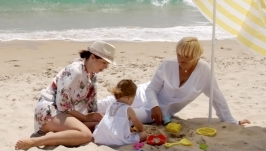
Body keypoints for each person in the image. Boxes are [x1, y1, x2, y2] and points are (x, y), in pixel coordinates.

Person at [97, 37, 250, 126]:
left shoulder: (204, 71)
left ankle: (85, 126)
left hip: (158, 112)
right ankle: (76, 115)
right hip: (144, 94)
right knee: (102, 105)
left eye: (186, 57)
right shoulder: (168, 65)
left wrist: (231, 121)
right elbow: (151, 89)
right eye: (178, 55)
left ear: (196, 57)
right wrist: (154, 105)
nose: (181, 60)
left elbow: (217, 97)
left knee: (123, 118)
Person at [14, 41, 116, 150]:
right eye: (104, 62)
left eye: (107, 64)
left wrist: (96, 117)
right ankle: (35, 141)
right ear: (92, 57)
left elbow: (92, 105)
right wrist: (85, 117)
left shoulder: (93, 76)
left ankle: (56, 134)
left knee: (97, 124)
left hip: (66, 113)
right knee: (86, 135)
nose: (106, 67)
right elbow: (62, 104)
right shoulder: (75, 70)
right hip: (50, 110)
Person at [93, 79, 147, 146]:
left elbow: (114, 122)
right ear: (129, 97)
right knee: (143, 135)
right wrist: (141, 130)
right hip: (117, 140)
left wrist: (128, 128)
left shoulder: (111, 106)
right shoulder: (128, 109)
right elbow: (137, 124)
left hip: (102, 137)